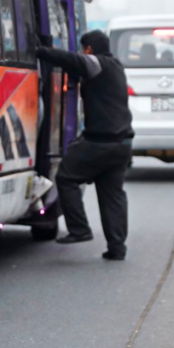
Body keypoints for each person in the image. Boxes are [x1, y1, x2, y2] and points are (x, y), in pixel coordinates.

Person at [37, 30, 133, 260]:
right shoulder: (116, 66)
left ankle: (79, 229)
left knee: (66, 177)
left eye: (83, 49)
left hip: (100, 142)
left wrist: (41, 51)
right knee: (112, 195)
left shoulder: (97, 62)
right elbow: (76, 68)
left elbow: (73, 61)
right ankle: (117, 248)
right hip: (122, 143)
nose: (82, 53)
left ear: (89, 49)